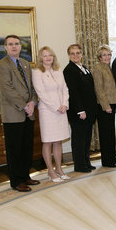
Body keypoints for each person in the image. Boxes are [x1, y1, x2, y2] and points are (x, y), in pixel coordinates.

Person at [0, 34, 39, 192]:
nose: (14, 46)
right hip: (13, 114)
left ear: (21, 46)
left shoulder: (25, 63)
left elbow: (32, 88)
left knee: (26, 147)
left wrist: (33, 102)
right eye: (10, 44)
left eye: (17, 44)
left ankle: (25, 176)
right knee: (15, 150)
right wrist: (24, 106)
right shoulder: (1, 65)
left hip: (29, 112)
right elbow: (7, 90)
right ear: (5, 47)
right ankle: (16, 181)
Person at [32, 46, 70, 183]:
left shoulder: (58, 70)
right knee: (48, 141)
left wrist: (64, 104)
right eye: (45, 55)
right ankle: (50, 171)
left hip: (62, 109)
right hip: (48, 111)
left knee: (58, 140)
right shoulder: (37, 72)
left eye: (50, 55)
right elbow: (40, 93)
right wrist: (56, 107)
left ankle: (59, 169)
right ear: (40, 58)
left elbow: (65, 88)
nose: (48, 58)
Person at [63, 44, 98, 173]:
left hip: (89, 111)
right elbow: (73, 92)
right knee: (79, 139)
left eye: (78, 53)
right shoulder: (69, 70)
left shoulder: (83, 68)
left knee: (86, 138)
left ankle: (86, 162)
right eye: (73, 53)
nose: (76, 55)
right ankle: (79, 165)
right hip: (79, 112)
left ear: (81, 54)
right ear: (69, 55)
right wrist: (80, 110)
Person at [92, 45, 116, 168]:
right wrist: (106, 105)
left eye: (108, 54)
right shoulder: (98, 68)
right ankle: (107, 161)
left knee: (110, 133)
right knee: (105, 134)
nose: (107, 57)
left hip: (112, 103)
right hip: (104, 106)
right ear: (99, 57)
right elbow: (99, 89)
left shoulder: (108, 67)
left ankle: (112, 157)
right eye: (104, 55)